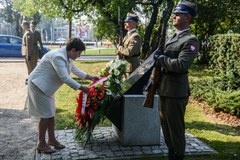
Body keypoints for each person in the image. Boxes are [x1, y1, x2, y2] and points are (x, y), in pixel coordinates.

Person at [26, 38, 98, 154]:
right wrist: (83, 88)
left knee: (51, 114)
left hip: (46, 88)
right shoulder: (58, 56)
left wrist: (90, 77)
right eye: (79, 53)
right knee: (45, 116)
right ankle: (41, 144)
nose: (79, 56)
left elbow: (75, 70)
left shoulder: (66, 56)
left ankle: (52, 140)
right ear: (73, 50)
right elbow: (65, 77)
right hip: (38, 85)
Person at [156, 1, 199, 160]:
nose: (174, 17)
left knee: (175, 129)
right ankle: (171, 153)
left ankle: (178, 156)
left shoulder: (191, 40)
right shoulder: (172, 37)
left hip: (175, 91)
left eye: (178, 14)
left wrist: (162, 59)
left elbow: (181, 65)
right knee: (166, 127)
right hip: (164, 88)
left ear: (187, 17)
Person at [117, 13, 141, 78]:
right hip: (127, 66)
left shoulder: (135, 36)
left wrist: (119, 48)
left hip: (132, 67)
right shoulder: (128, 35)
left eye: (127, 22)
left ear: (133, 23)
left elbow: (129, 52)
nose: (125, 23)